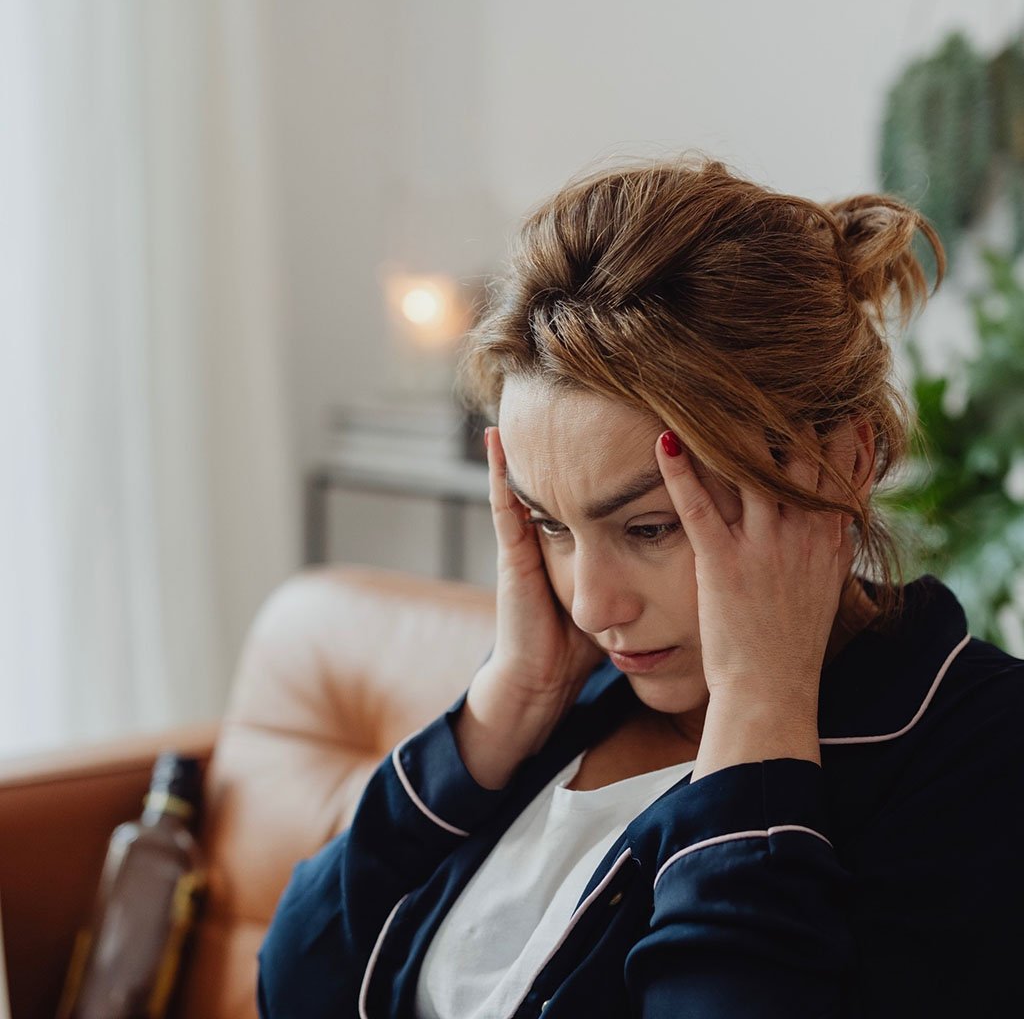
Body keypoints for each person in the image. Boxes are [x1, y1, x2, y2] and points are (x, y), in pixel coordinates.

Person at [257, 155, 1024, 1017]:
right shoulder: (574, 695)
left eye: (650, 527)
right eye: (552, 525)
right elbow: (297, 979)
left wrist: (762, 711)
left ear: (843, 464)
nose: (593, 605)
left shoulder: (977, 754)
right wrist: (504, 706)